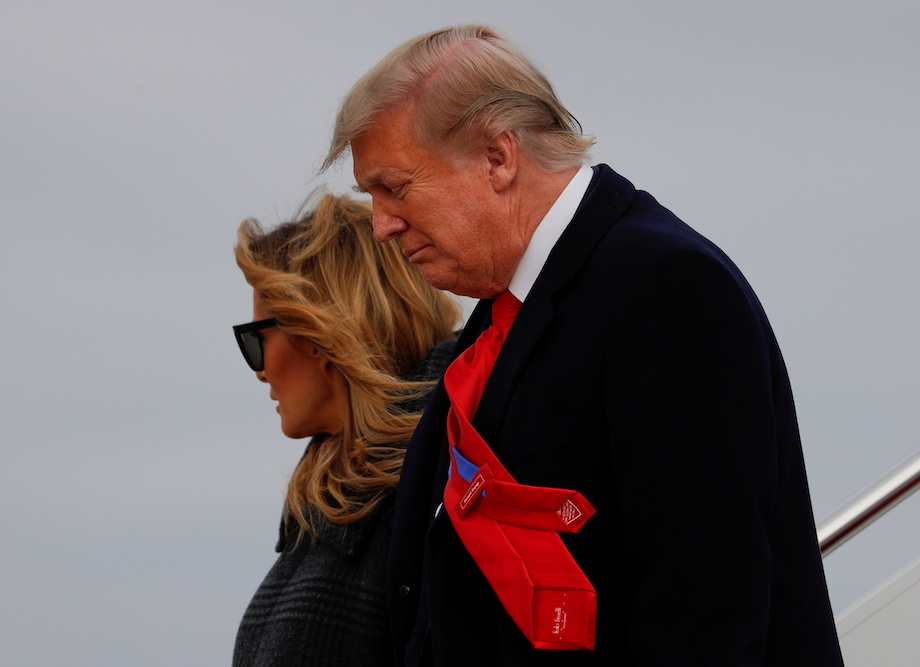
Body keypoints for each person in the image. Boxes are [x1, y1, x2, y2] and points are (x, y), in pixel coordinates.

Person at [323, 25, 844, 666]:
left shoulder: (666, 288)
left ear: (498, 157)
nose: (380, 225)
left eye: (395, 187)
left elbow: (706, 605)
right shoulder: (499, 318)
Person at [230, 193, 460, 667]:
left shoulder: (443, 484)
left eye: (256, 340)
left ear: (316, 335)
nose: (258, 371)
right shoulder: (327, 510)